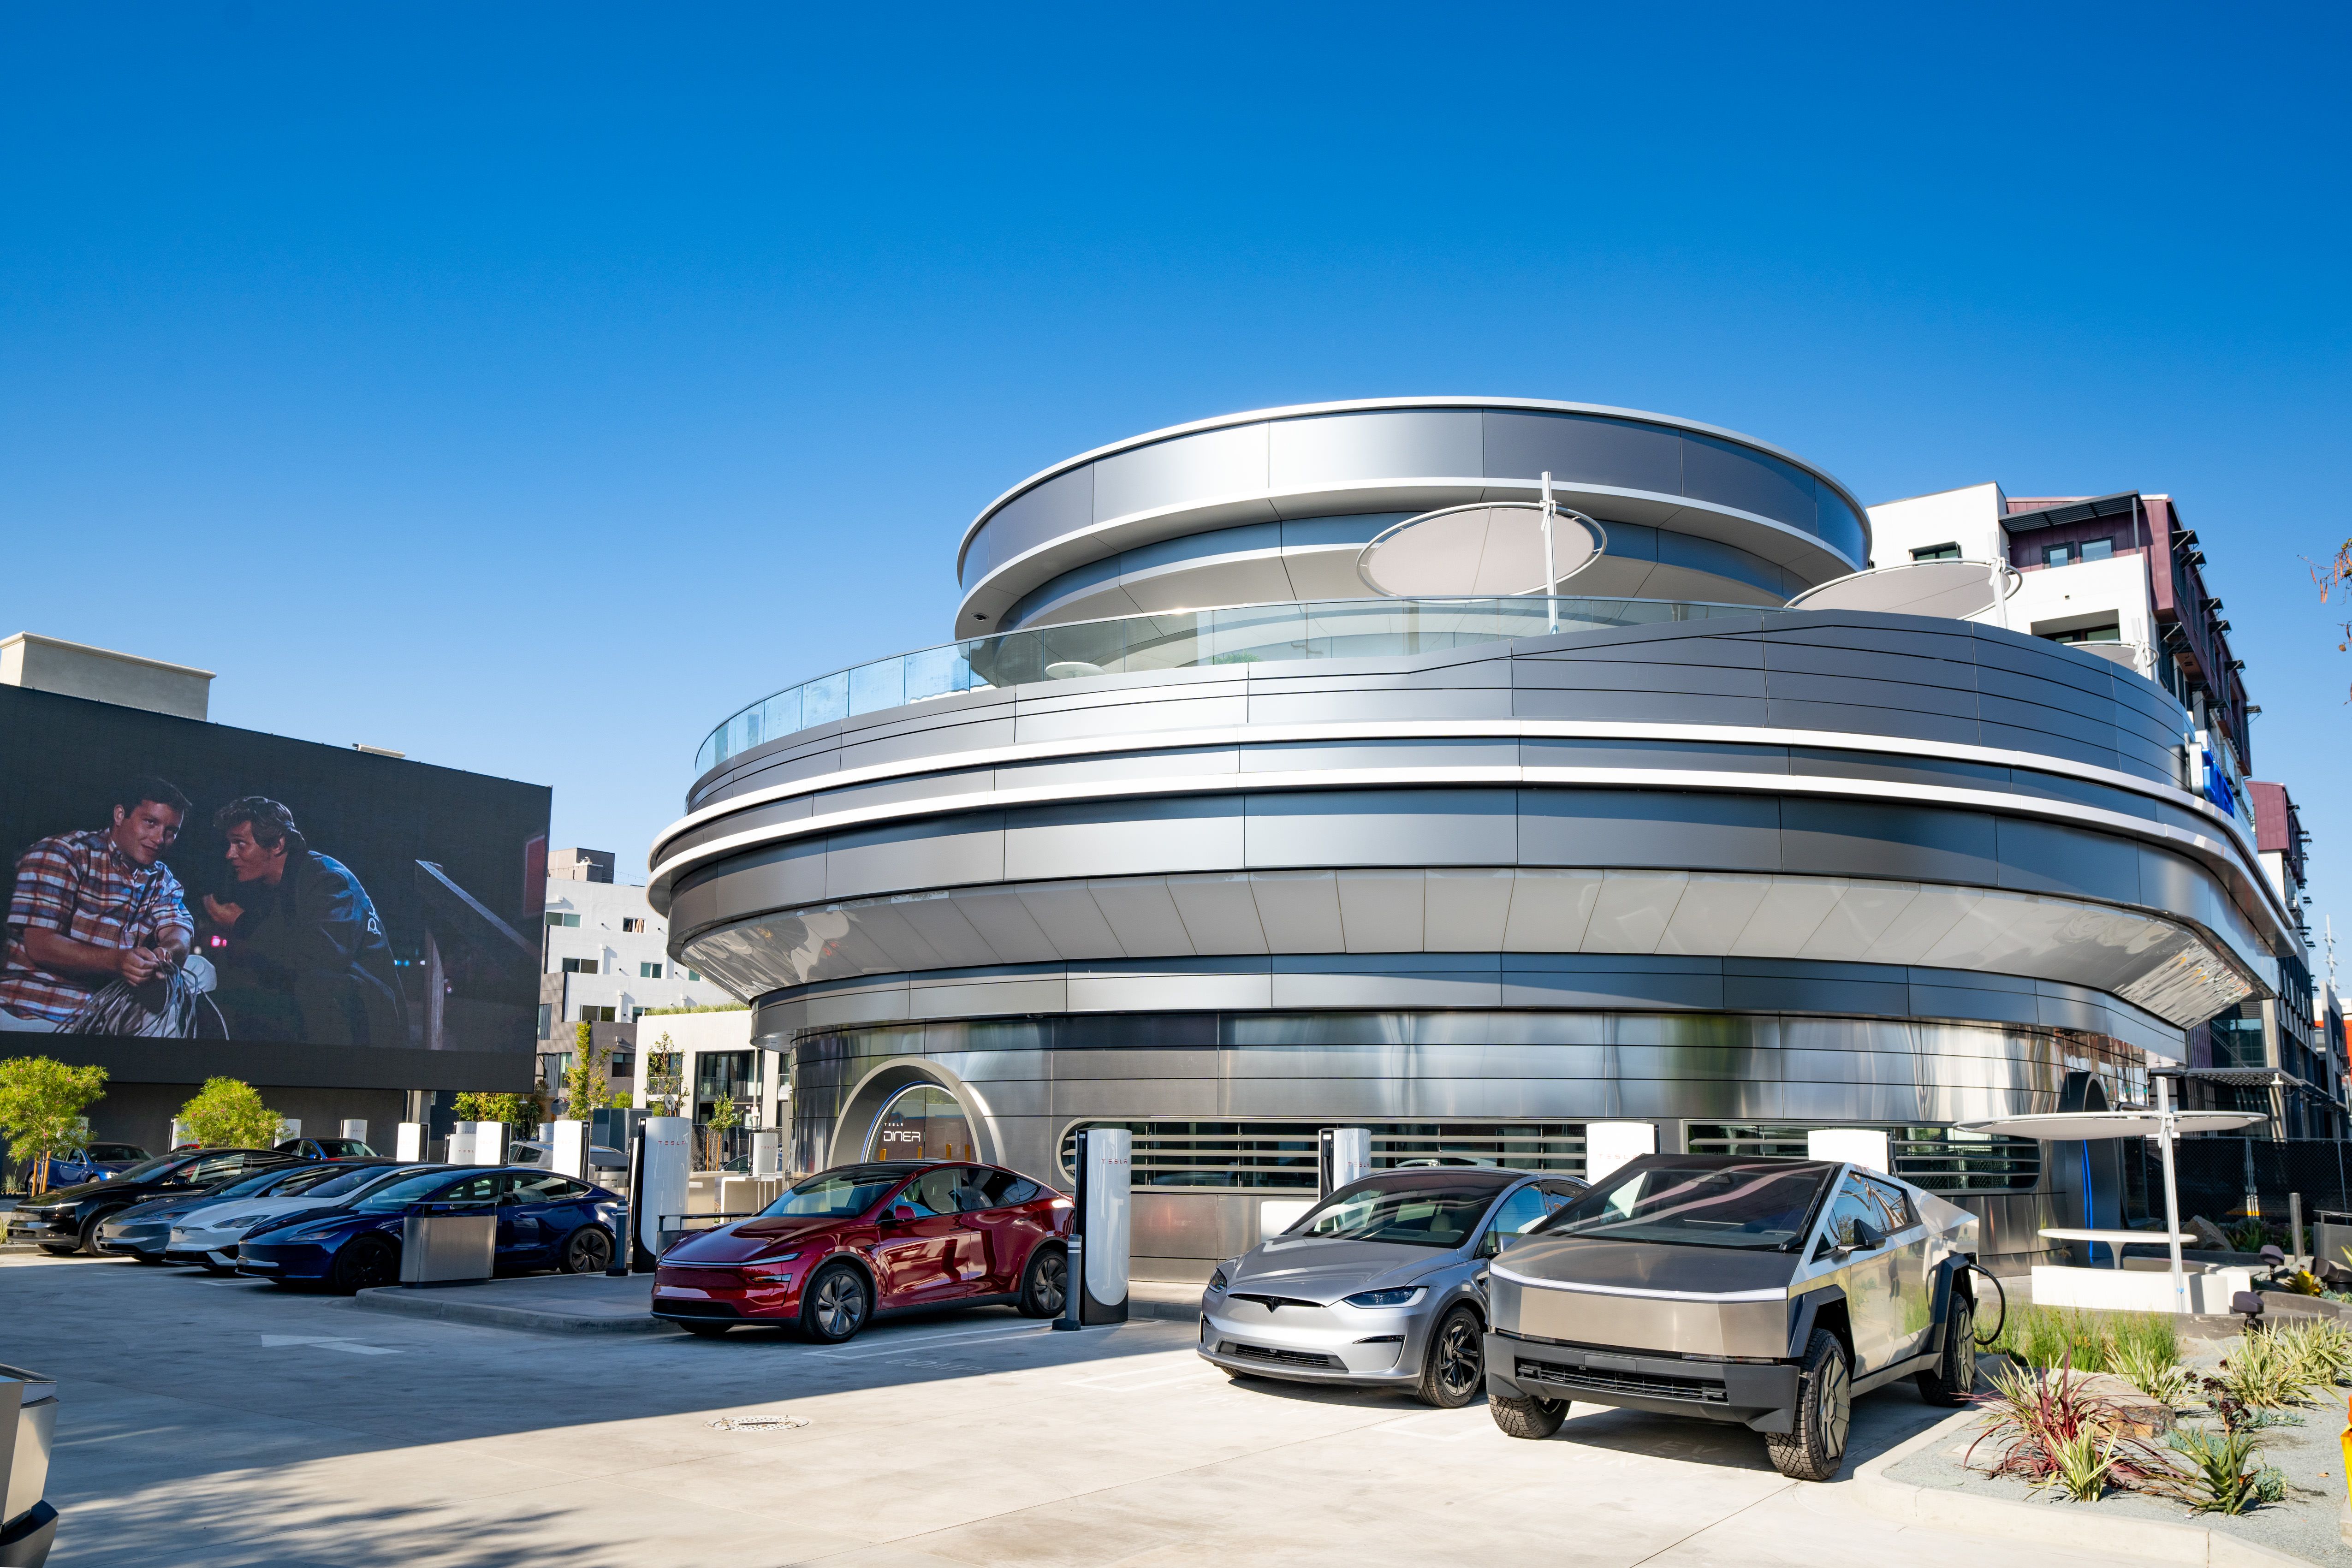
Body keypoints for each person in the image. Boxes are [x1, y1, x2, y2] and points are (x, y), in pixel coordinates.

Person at [202, 797, 408, 1047]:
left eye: (240, 844)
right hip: (329, 1015)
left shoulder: (326, 878)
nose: (230, 854)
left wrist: (243, 923)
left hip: (369, 1025)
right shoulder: (277, 887)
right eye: (230, 844)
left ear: (277, 844)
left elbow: (324, 957)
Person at [0, 777, 196, 1031]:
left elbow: (178, 930)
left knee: (199, 970)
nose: (159, 839)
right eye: (150, 823)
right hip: (36, 1011)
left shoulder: (161, 878)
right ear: (120, 815)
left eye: (171, 832)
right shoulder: (63, 853)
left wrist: (165, 953)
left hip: (105, 1013)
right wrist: (118, 961)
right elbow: (40, 945)